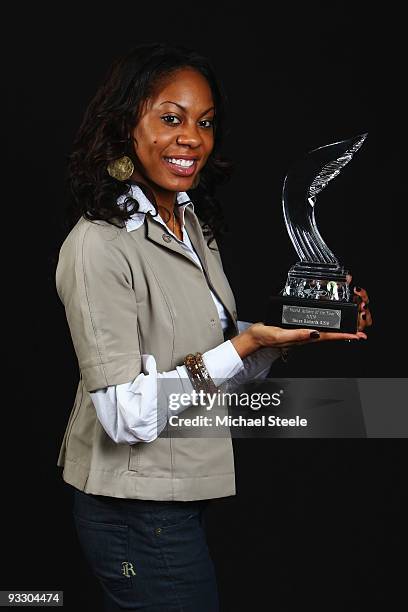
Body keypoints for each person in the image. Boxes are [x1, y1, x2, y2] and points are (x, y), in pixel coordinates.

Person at [55, 42, 372, 611]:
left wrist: (291, 332)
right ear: (126, 124)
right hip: (135, 512)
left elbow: (212, 353)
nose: (192, 138)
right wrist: (247, 343)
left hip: (177, 495)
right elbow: (126, 416)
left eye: (204, 122)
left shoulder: (190, 222)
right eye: (170, 119)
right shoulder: (97, 246)